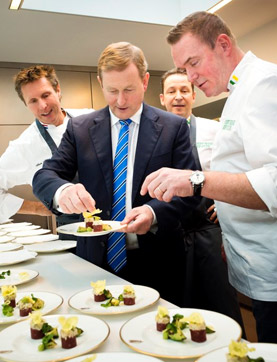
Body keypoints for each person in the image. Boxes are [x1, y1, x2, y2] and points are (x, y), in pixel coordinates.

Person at [142, 12, 277, 350]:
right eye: (184, 69)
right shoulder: (241, 92)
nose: (191, 78)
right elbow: (250, 172)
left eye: (193, 63)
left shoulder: (266, 84)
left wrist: (196, 180)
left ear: (222, 44)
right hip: (263, 261)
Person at [32, 42, 198, 305]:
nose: (120, 101)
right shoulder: (80, 129)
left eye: (129, 90)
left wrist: (154, 212)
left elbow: (191, 190)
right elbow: (45, 175)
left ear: (145, 81)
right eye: (112, 91)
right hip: (95, 263)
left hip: (158, 259)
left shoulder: (173, 127)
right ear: (100, 83)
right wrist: (63, 190)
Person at [159, 68, 244, 329]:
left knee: (221, 301)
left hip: (209, 227)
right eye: (172, 91)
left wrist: (225, 202)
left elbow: (235, 169)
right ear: (162, 98)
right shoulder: (156, 135)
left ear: (194, 96)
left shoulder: (214, 129)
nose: (178, 97)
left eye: (184, 90)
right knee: (178, 304)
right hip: (172, 230)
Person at [0, 65, 92, 228]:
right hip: (75, 232)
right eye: (33, 101)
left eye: (46, 95)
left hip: (114, 220)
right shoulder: (24, 146)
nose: (42, 105)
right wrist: (39, 208)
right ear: (26, 104)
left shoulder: (89, 118)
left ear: (57, 90)